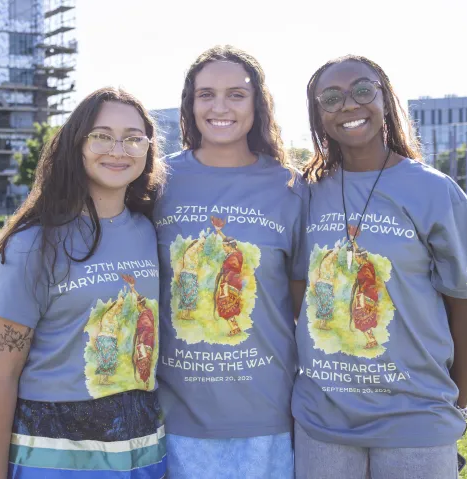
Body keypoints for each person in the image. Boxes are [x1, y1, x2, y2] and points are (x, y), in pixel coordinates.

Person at [293, 54, 467, 479]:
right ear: (317, 113)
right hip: (323, 421)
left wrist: (457, 405)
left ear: (385, 100)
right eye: (332, 97)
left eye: (363, 90)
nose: (348, 105)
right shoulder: (305, 192)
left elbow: (465, 310)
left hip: (416, 418)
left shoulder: (434, 191)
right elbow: (294, 294)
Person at [0, 87, 167, 479]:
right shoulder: (35, 243)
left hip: (143, 452)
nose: (118, 149)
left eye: (133, 138)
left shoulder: (152, 231)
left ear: (148, 149)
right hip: (56, 458)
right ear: (76, 144)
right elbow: (0, 378)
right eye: (101, 135)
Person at [153, 45, 306, 478]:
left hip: (266, 422)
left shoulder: (290, 188)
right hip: (175, 423)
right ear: (190, 103)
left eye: (236, 95)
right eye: (206, 94)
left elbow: (296, 305)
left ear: (258, 103)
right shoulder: (156, 182)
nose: (220, 107)